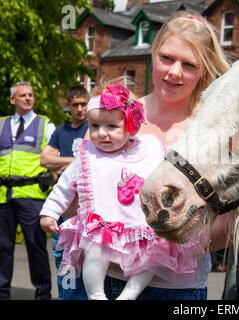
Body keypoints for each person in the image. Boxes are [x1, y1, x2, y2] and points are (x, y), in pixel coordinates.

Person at [103, 11, 233, 300]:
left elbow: (226, 225)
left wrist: (172, 242)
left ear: (204, 71)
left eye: (189, 65)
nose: (175, 72)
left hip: (176, 289)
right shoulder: (115, 117)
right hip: (105, 282)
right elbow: (81, 194)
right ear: (153, 53)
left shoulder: (213, 132)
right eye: (167, 58)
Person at [40, 83, 206, 300]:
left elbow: (173, 175)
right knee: (94, 253)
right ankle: (96, 295)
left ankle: (129, 294)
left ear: (131, 128)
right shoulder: (88, 156)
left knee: (153, 258)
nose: (101, 134)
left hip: (143, 226)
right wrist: (49, 212)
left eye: (111, 127)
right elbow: (64, 186)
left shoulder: (149, 150)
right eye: (95, 126)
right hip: (103, 226)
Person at [0, 81, 56, 300]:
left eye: (31, 95)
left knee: (36, 246)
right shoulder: (1, 124)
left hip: (32, 195)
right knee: (2, 247)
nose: (28, 98)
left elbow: (53, 157)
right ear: (13, 99)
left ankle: (43, 294)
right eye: (23, 95)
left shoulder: (45, 125)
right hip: (4, 195)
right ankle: (2, 293)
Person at [40, 86, 89, 300]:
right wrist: (75, 162)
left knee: (89, 259)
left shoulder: (94, 127)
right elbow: (44, 160)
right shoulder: (61, 131)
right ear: (68, 106)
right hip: (62, 206)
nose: (79, 109)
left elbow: (95, 158)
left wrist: (63, 164)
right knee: (63, 257)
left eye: (83, 104)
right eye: (75, 104)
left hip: (86, 206)